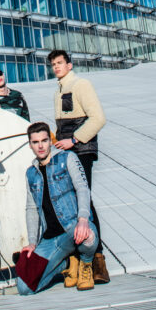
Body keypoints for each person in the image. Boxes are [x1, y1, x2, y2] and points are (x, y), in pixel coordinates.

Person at [48, 48, 110, 285]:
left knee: (85, 202)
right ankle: (77, 259)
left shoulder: (81, 85)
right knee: (73, 203)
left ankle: (97, 259)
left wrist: (74, 140)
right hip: (68, 151)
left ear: (69, 65)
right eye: (53, 64)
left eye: (60, 63)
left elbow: (98, 118)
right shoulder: (59, 91)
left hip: (81, 151)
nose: (56, 67)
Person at [16, 121, 98, 294]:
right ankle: (67, 263)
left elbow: (82, 188)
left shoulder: (67, 158)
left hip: (72, 228)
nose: (40, 146)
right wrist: (32, 243)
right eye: (35, 142)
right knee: (25, 288)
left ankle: (85, 261)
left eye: (44, 140)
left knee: (89, 237)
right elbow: (31, 209)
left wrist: (83, 220)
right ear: (30, 144)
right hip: (50, 239)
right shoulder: (30, 173)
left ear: (50, 141)